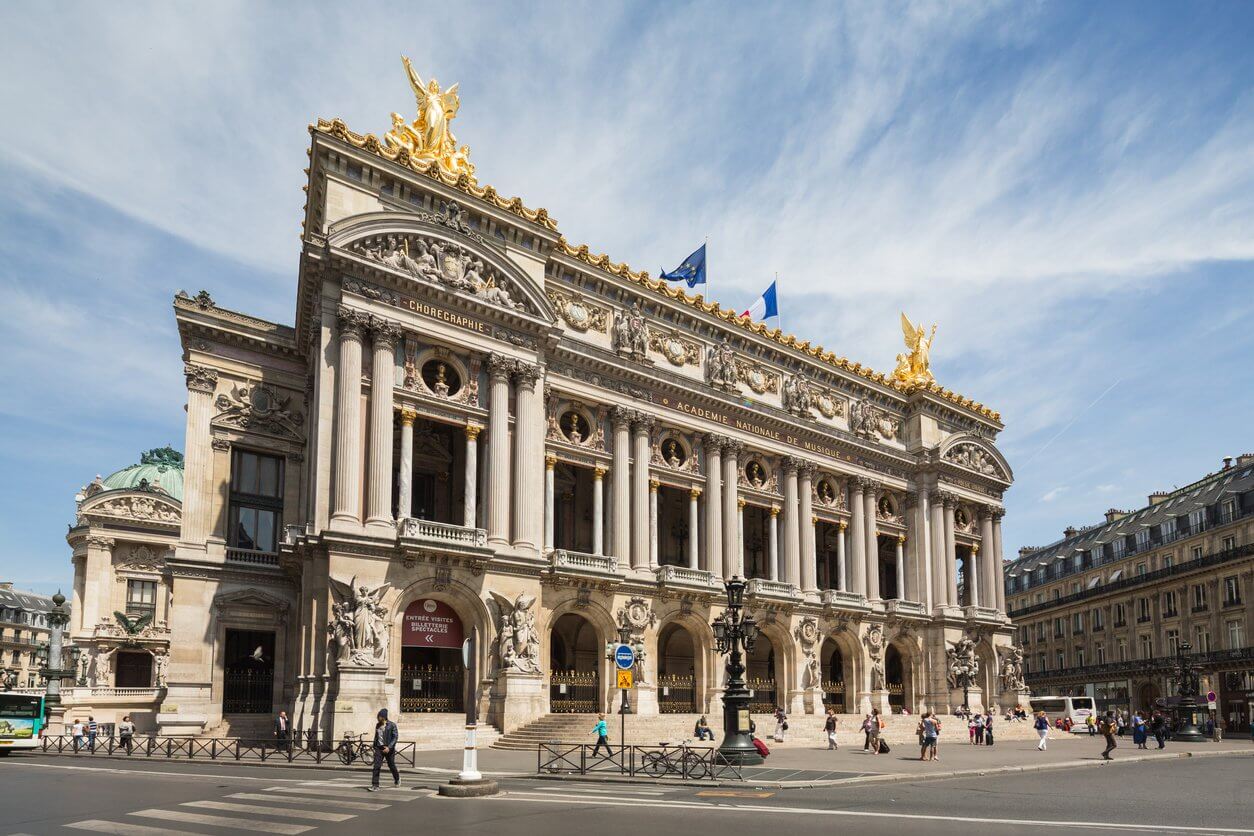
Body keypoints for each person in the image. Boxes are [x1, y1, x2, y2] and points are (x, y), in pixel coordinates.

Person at [368, 708, 400, 791]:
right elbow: (377, 737)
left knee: (391, 765)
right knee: (376, 766)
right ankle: (375, 785)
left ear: (384, 717)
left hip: (389, 748)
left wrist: (389, 747)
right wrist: (374, 746)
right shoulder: (378, 725)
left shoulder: (392, 725)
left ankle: (397, 779)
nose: (378, 717)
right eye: (378, 716)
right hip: (379, 748)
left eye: (379, 716)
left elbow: (395, 737)